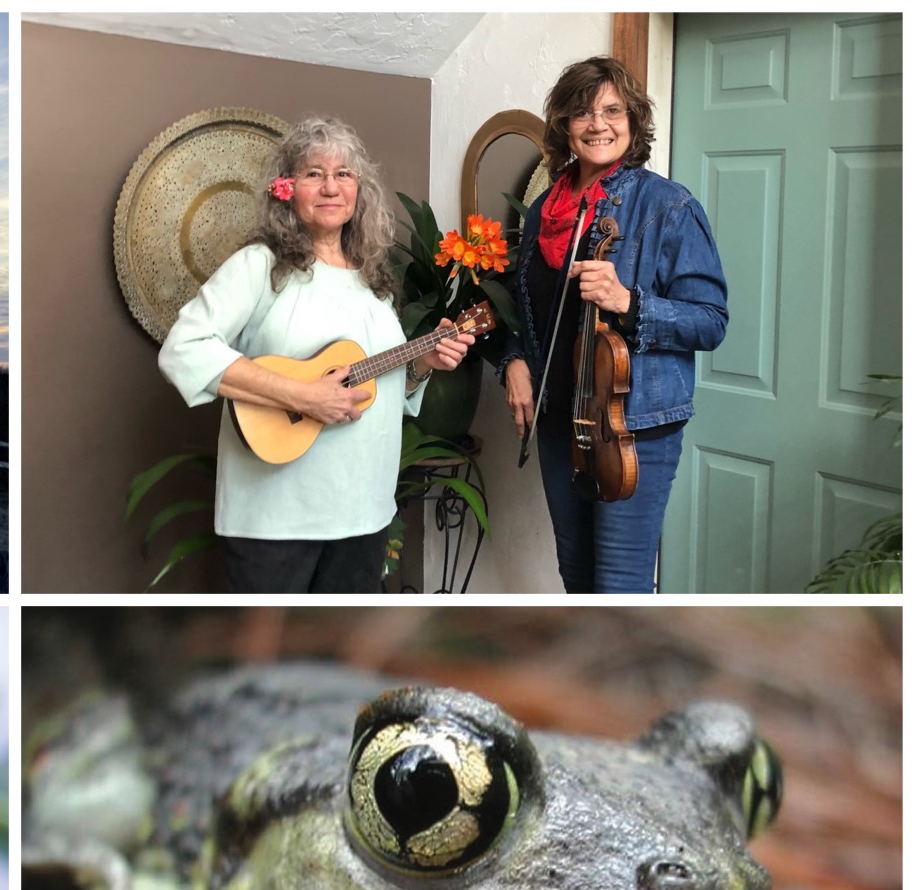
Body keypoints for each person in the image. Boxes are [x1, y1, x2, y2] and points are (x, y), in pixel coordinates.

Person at [159, 116, 474, 594]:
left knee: (338, 654)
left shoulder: (374, 281)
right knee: (271, 657)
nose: (331, 187)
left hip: (365, 508)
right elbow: (183, 349)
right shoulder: (259, 266)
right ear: (287, 189)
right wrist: (303, 396)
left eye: (344, 174)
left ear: (359, 191)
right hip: (276, 517)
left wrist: (421, 367)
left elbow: (381, 384)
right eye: (314, 174)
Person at [500, 56, 728, 593]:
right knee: (576, 582)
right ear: (564, 125)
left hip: (630, 426)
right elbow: (530, 305)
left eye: (612, 110)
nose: (597, 124)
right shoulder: (544, 210)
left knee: (619, 589)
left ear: (633, 120)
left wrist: (629, 301)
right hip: (559, 424)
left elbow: (710, 321)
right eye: (582, 112)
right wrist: (512, 361)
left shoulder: (668, 205)